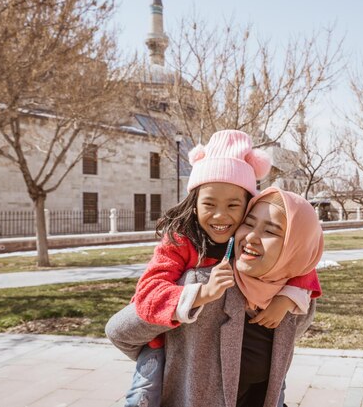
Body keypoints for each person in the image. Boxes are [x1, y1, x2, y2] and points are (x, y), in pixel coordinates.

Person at [106, 130, 320, 407]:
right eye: (209, 204)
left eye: (234, 205)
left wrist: (286, 298)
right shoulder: (182, 241)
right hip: (163, 340)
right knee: (145, 390)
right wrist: (199, 294)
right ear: (194, 205)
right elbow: (143, 299)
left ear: (246, 206)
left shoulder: (277, 282)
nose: (221, 216)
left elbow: (304, 267)